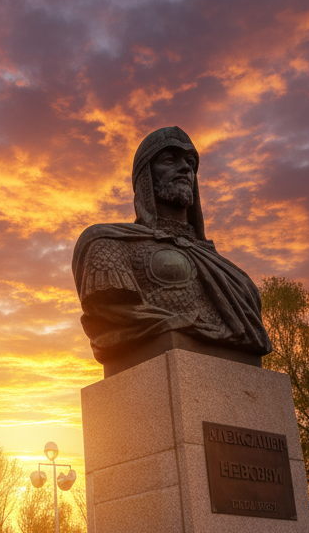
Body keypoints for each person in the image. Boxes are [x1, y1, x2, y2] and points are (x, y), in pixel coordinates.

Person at [72, 126, 272, 373]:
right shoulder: (107, 242)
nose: (185, 168)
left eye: (190, 162)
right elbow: (112, 315)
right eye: (170, 159)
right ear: (145, 177)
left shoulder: (232, 273)